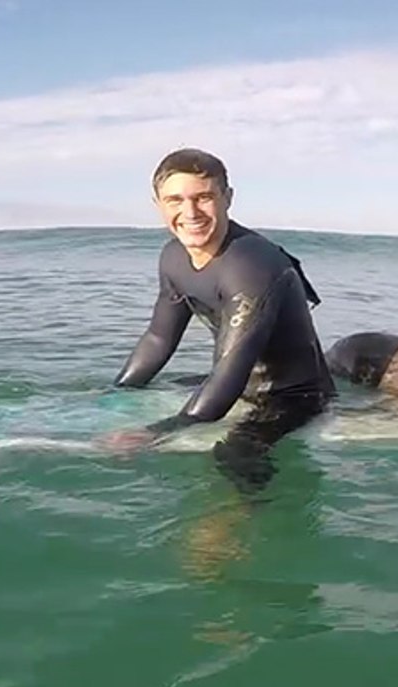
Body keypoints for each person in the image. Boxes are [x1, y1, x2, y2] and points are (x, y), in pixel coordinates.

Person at [98, 147, 336, 493]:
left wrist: (159, 432)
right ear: (158, 204)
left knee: (233, 454)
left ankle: (240, 529)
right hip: (236, 380)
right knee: (166, 390)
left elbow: (230, 371)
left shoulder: (250, 264)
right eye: (175, 200)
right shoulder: (173, 256)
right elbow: (158, 340)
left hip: (291, 395)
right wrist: (117, 392)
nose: (189, 212)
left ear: (227, 198)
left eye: (204, 197)